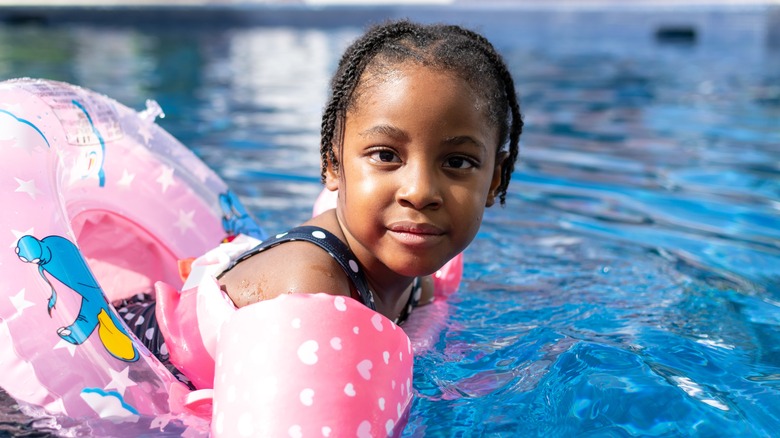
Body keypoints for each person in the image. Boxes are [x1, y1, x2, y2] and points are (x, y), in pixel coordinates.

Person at [119, 19, 522, 385]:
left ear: (494, 180)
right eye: (385, 155)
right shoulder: (313, 288)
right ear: (332, 163)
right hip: (124, 358)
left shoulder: (419, 287)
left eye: (457, 162)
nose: (419, 191)